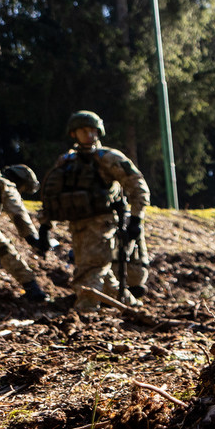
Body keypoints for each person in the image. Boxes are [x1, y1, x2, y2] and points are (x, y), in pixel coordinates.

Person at [40, 110, 150, 312]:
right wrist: (45, 226)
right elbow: (51, 195)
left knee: (92, 268)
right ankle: (130, 306)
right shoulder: (66, 162)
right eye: (84, 131)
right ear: (74, 133)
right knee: (101, 273)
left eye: (93, 131)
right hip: (78, 226)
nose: (90, 135)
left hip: (103, 224)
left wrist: (136, 220)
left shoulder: (108, 158)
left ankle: (85, 310)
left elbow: (137, 186)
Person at [0, 165, 51, 302]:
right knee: (4, 249)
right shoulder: (4, 183)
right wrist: (33, 239)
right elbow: (18, 214)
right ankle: (32, 288)